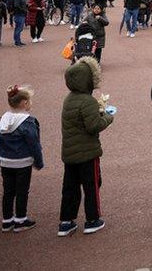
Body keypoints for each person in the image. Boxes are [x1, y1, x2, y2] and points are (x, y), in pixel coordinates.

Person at [58, 56, 114, 237]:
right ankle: (92, 219)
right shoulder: (87, 100)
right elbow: (94, 126)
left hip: (70, 152)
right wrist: (107, 117)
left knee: (70, 188)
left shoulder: (69, 99)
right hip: (88, 153)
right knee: (92, 186)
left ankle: (66, 222)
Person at [0, 85, 44, 233]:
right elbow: (34, 143)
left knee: (8, 191)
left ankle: (7, 220)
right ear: (24, 102)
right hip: (22, 162)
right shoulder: (28, 122)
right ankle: (20, 219)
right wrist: (38, 161)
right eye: (29, 100)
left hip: (6, 160)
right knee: (22, 191)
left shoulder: (2, 119)